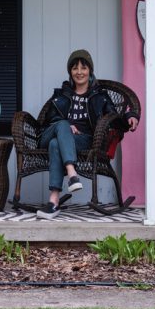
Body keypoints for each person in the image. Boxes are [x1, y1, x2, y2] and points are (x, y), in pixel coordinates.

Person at [36, 49, 138, 220]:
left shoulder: (100, 96)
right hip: (51, 133)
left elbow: (113, 117)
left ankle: (53, 201)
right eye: (75, 68)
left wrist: (130, 115)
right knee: (61, 126)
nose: (79, 72)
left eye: (83, 68)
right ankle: (72, 173)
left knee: (56, 144)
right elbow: (48, 120)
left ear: (90, 70)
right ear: (70, 72)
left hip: (82, 140)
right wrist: (65, 126)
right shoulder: (60, 95)